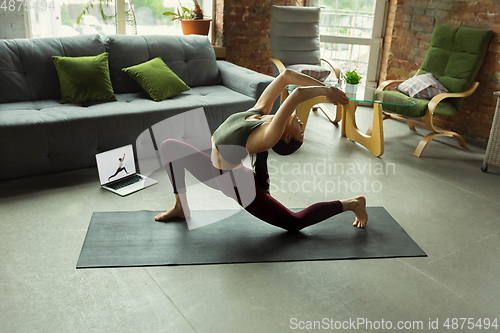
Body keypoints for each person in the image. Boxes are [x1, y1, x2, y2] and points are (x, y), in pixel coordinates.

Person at [155, 69, 368, 231]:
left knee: (295, 222)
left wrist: (326, 93)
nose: (302, 125)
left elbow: (298, 95)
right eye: (302, 130)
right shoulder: (260, 112)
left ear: (285, 137)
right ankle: (180, 207)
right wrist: (330, 93)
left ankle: (352, 204)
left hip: (239, 186)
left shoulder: (269, 136)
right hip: (214, 171)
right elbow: (285, 76)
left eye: (300, 132)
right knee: (169, 147)